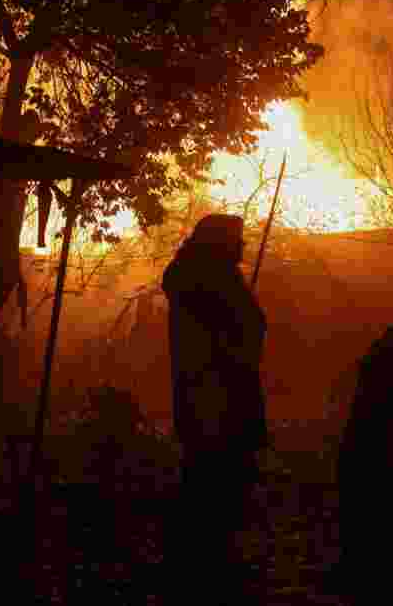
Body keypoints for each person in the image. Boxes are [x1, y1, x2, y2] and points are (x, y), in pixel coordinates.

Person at [161, 213, 269, 596]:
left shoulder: (206, 276)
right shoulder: (207, 281)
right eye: (236, 239)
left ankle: (207, 559)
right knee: (214, 475)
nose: (243, 246)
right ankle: (206, 566)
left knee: (213, 473)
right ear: (219, 243)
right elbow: (229, 334)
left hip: (216, 390)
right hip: (214, 392)